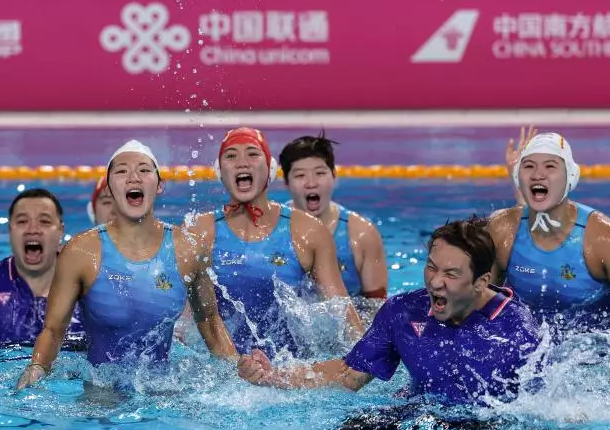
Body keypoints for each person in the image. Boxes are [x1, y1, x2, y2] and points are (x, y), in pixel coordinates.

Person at [14, 140, 249, 390]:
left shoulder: (188, 248)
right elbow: (53, 330)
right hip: (101, 390)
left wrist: (237, 372)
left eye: (144, 170)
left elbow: (209, 321)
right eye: (122, 171)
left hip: (165, 388)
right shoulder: (81, 252)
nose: (133, 177)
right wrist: (37, 367)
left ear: (159, 185)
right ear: (109, 187)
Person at [238, 216, 545, 407]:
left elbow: (543, 409)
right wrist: (273, 376)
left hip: (489, 429)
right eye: (431, 267)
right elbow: (348, 375)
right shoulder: (404, 312)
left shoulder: (518, 331)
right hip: (419, 415)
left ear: (481, 282)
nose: (435, 282)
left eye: (451, 274)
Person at [184, 127, 364, 360]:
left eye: (252, 154)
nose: (242, 163)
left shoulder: (307, 231)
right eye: (231, 156)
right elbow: (185, 320)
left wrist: (367, 360)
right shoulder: (198, 231)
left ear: (269, 168)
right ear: (220, 171)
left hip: (290, 367)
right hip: (224, 367)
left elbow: (342, 315)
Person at [489, 130, 610, 350]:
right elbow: (479, 303)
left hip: (597, 357)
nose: (538, 174)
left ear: (571, 176)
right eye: (529, 166)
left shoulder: (604, 240)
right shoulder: (501, 231)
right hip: (527, 354)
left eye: (550, 166)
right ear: (518, 176)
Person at [0, 188, 85, 352]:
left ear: (61, 231)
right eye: (22, 221)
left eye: (44, 221)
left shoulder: (86, 290)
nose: (33, 229)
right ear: (10, 230)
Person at [279, 133, 388, 301]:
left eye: (320, 173)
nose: (311, 183)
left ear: (334, 176)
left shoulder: (362, 235)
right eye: (300, 175)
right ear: (286, 182)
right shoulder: (273, 227)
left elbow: (377, 307)